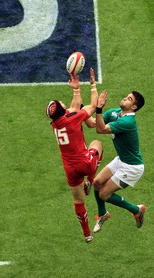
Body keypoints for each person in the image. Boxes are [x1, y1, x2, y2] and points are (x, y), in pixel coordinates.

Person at [46, 68, 104, 243]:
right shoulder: (72, 118)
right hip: (84, 163)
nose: (63, 102)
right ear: (63, 111)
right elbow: (93, 106)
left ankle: (87, 234)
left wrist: (76, 89)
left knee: (78, 202)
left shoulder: (56, 124)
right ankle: (91, 179)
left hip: (70, 168)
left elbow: (73, 106)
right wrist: (93, 84)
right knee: (97, 144)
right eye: (61, 103)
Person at [92, 90, 146, 233]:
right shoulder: (115, 113)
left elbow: (100, 129)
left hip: (132, 168)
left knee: (104, 194)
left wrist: (98, 109)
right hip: (121, 160)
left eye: (129, 99)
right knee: (96, 183)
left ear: (133, 107)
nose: (124, 98)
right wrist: (81, 110)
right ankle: (102, 214)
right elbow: (93, 123)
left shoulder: (127, 121)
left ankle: (136, 210)